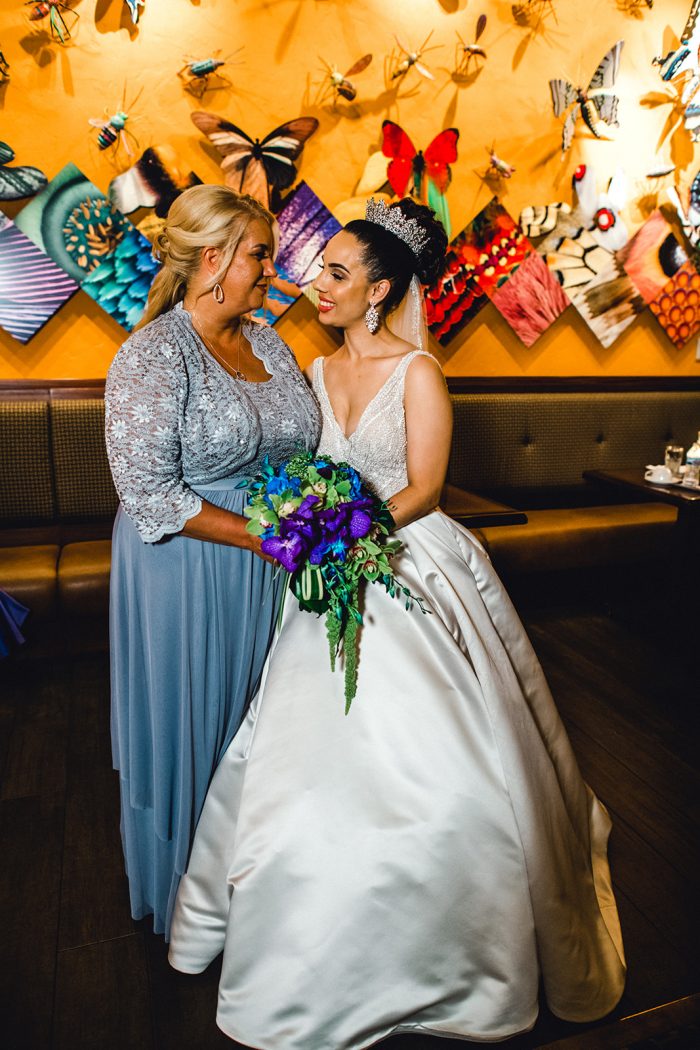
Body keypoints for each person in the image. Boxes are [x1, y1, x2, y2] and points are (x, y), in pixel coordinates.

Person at [167, 198, 626, 1047]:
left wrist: (349, 536)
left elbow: (424, 488)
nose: (315, 282)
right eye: (317, 267)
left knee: (449, 754)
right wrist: (306, 525)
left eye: (336, 273)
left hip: (406, 555)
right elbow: (300, 465)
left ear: (379, 291)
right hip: (325, 566)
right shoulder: (308, 368)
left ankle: (457, 944)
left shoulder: (419, 372)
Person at [104, 184, 321, 940]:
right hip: (186, 567)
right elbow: (148, 493)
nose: (271, 270)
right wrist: (265, 536)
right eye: (260, 254)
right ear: (212, 258)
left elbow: (302, 445)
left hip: (274, 568)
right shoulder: (153, 354)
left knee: (268, 734)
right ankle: (194, 906)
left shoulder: (268, 342)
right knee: (204, 724)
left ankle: (261, 900)